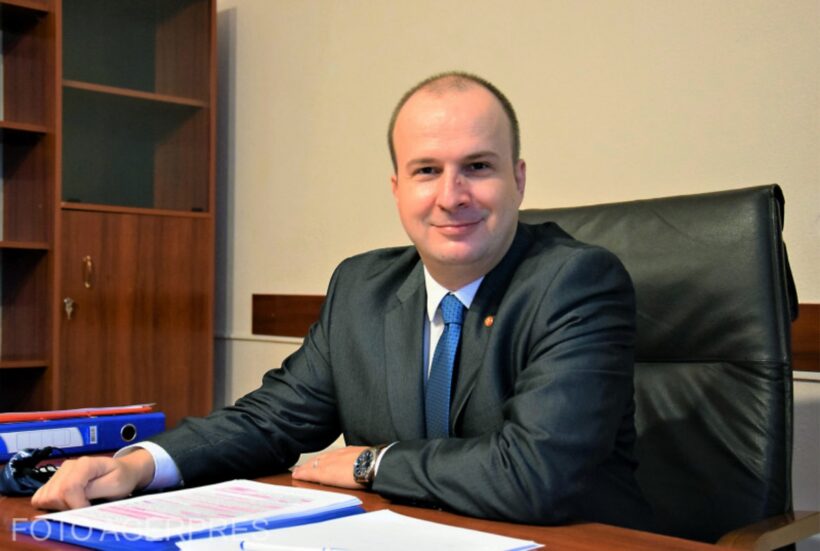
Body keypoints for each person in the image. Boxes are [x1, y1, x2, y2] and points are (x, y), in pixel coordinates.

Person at [33, 71, 653, 530]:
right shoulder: (362, 288)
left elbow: (535, 474)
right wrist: (139, 465)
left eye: (478, 167)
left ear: (517, 179)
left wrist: (371, 465)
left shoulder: (576, 283)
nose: (452, 195)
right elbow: (270, 421)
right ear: (397, 188)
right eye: (427, 170)